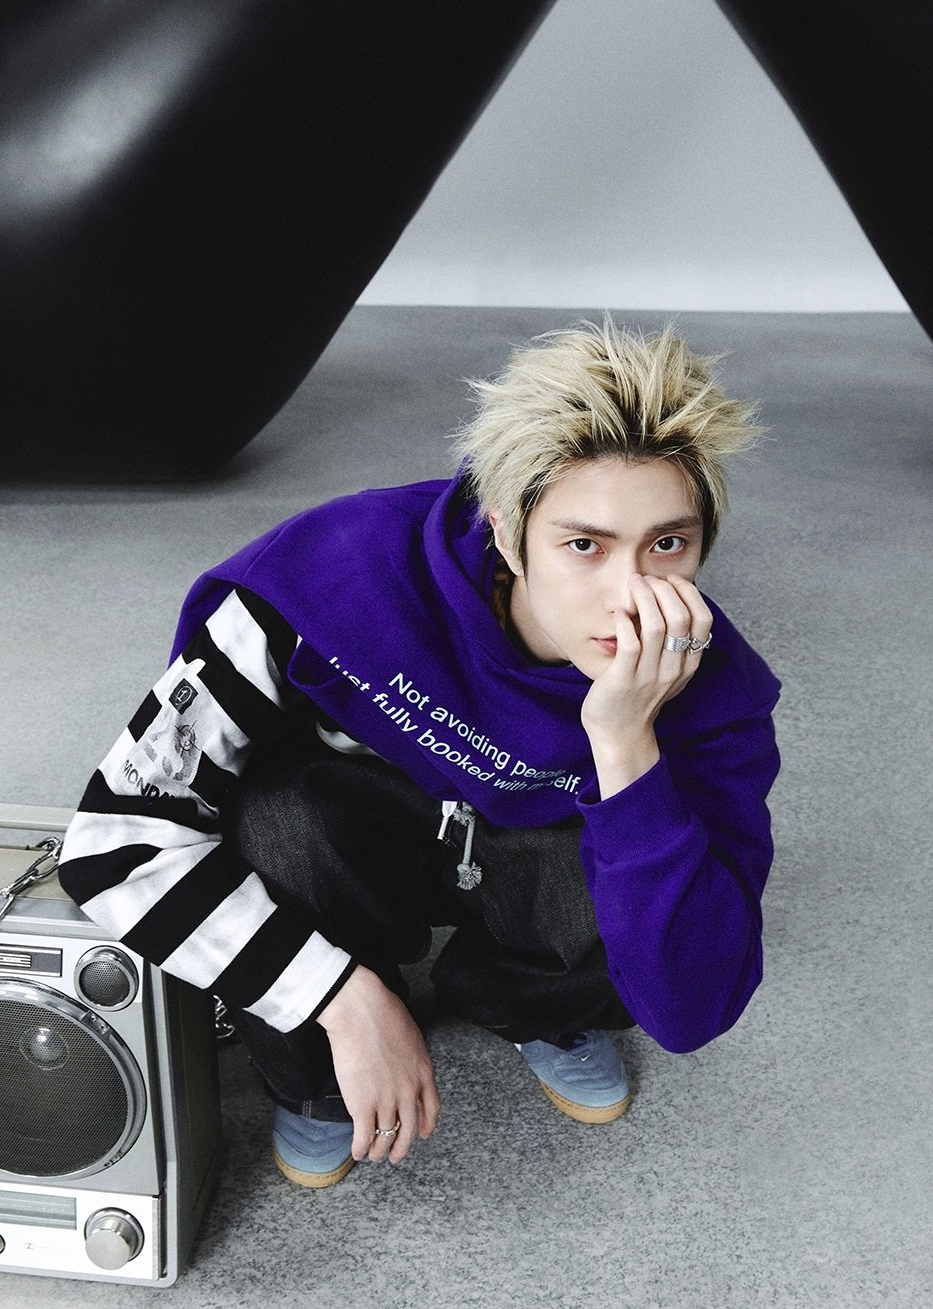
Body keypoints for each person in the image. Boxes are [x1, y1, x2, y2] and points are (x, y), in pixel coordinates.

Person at [58, 319, 781, 1188]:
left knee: (642, 836)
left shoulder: (718, 689)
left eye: (667, 544)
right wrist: (338, 995)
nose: (630, 597)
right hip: (356, 824)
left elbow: (692, 1006)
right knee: (275, 816)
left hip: (533, 839)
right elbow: (112, 842)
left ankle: (538, 1007)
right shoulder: (325, 579)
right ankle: (317, 1073)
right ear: (508, 533)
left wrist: (627, 742)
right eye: (584, 545)